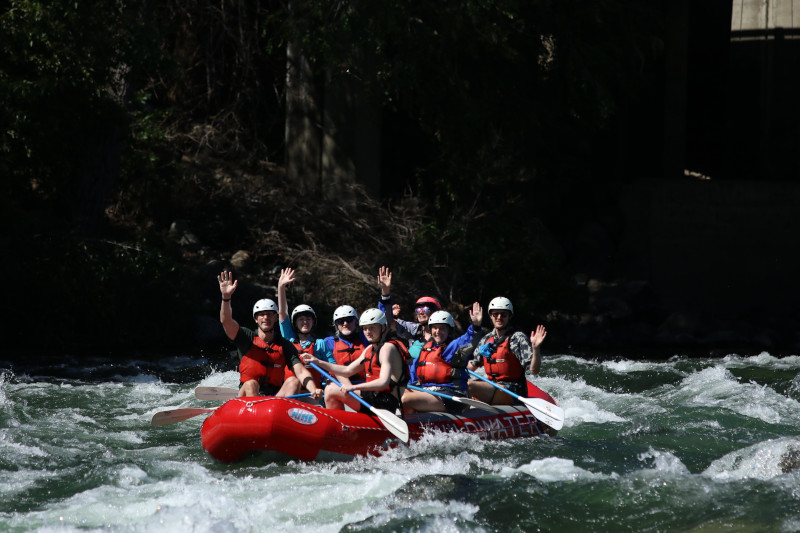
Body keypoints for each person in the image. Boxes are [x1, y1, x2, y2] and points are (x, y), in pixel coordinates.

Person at [217, 270, 323, 400]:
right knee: (251, 384)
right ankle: (254, 416)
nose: (266, 317)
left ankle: (283, 415)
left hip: (274, 399)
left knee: (293, 381)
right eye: (262, 314)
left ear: (275, 318)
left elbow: (300, 371)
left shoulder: (284, 344)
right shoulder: (246, 337)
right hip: (247, 397)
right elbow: (226, 321)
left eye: (270, 314)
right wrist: (226, 298)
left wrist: (313, 388)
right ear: (256, 319)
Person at [305, 308, 410, 413]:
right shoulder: (370, 349)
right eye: (365, 328)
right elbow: (347, 370)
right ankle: (342, 422)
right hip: (375, 395)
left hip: (386, 401)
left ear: (383, 327)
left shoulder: (387, 348)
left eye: (372, 327)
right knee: (330, 387)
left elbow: (383, 382)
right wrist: (317, 361)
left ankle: (340, 424)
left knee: (331, 390)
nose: (368, 332)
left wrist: (353, 387)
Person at [402, 303, 484, 414]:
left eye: (442, 328)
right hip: (427, 392)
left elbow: (468, 339)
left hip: (450, 396)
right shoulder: (426, 349)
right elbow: (412, 373)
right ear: (430, 330)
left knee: (406, 399)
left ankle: (412, 424)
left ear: (449, 330)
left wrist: (475, 326)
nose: (438, 331)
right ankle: (412, 421)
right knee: (400, 392)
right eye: (435, 328)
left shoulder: (454, 347)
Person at [466, 296, 547, 405]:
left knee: (468, 386)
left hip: (513, 391)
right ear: (491, 316)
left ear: (509, 316)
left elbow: (534, 370)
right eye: (495, 314)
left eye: (503, 314)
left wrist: (536, 349)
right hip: (493, 387)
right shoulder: (486, 340)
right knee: (459, 384)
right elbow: (470, 368)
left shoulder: (517, 338)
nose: (499, 317)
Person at [276, 267, 335, 395]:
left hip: (312, 395)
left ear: (313, 322)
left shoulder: (320, 344)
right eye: (301, 319)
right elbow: (282, 313)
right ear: (295, 323)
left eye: (308, 319)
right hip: (291, 393)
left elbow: (333, 368)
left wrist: (331, 383)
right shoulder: (288, 339)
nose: (305, 322)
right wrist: (281, 288)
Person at [376, 266, 442, 357]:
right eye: (418, 310)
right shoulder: (413, 329)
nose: (421, 312)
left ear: (435, 312)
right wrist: (385, 292)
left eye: (425, 309)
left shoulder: (444, 334)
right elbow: (388, 321)